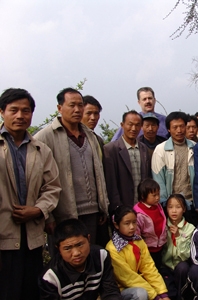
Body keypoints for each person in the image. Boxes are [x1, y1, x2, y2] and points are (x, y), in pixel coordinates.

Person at [0, 88, 61, 300]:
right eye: (13, 110)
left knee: (30, 290)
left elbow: (52, 186)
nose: (20, 116)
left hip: (32, 237)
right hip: (3, 235)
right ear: (2, 112)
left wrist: (38, 210)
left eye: (25, 111)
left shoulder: (41, 150)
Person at [35, 87, 109, 241]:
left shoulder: (90, 136)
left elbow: (99, 174)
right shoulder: (45, 137)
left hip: (93, 212)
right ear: (60, 108)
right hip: (64, 214)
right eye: (72, 105)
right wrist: (48, 217)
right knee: (68, 258)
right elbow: (38, 180)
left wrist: (103, 206)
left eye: (80, 105)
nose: (77, 110)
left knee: (91, 256)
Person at [39, 219, 122, 300]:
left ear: (88, 239)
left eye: (79, 245)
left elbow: (110, 292)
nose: (76, 253)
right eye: (67, 248)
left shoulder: (101, 256)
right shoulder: (50, 277)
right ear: (58, 249)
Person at [106, 206, 170, 300]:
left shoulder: (138, 241)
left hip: (139, 283)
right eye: (127, 223)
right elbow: (128, 278)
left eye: (134, 222)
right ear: (116, 225)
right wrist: (155, 296)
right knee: (141, 294)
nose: (132, 227)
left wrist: (163, 293)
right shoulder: (113, 248)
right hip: (120, 290)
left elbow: (149, 268)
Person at [151, 112, 197, 224]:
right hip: (172, 207)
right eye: (175, 127)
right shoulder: (161, 149)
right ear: (168, 129)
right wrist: (165, 204)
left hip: (192, 204)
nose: (179, 130)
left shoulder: (195, 147)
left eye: (182, 126)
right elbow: (158, 179)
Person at [104, 110, 152, 212]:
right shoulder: (111, 149)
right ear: (122, 125)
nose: (133, 129)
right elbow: (111, 183)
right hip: (122, 207)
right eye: (130, 124)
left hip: (142, 206)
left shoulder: (144, 148)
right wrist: (118, 208)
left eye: (137, 125)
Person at [82, 95, 110, 247]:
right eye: (89, 113)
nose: (93, 118)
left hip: (97, 207)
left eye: (96, 113)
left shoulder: (97, 140)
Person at [160, 194, 195, 300]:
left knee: (183, 267)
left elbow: (186, 255)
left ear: (184, 209)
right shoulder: (163, 225)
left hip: (180, 266)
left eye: (178, 207)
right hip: (165, 265)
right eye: (170, 207)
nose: (174, 211)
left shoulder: (190, 228)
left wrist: (178, 237)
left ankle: (181, 295)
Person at [134, 179, 167, 269]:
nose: (157, 198)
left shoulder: (158, 206)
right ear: (143, 196)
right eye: (154, 195)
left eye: (158, 194)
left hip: (160, 247)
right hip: (148, 250)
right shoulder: (138, 214)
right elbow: (136, 234)